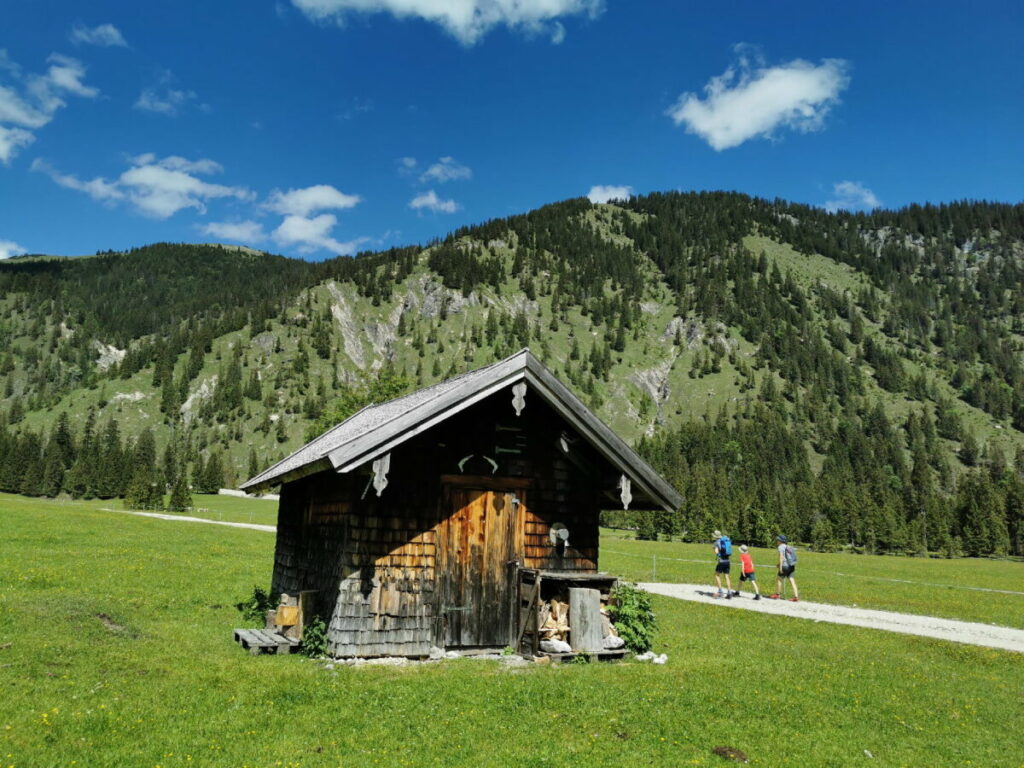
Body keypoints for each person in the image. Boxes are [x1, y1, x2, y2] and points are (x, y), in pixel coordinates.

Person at [769, 535, 799, 601]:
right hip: (791, 566)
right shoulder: (788, 547)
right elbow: (787, 557)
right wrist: (779, 564)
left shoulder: (780, 547)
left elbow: (781, 557)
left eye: (778, 540)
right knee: (792, 580)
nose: (777, 541)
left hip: (785, 566)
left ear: (780, 541)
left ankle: (777, 594)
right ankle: (796, 597)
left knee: (779, 579)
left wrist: (780, 567)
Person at [712, 529, 735, 599]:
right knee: (726, 576)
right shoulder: (725, 540)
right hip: (727, 561)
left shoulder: (716, 542)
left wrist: (718, 554)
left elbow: (716, 551)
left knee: (716, 575)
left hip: (721, 561)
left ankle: (720, 591)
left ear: (715, 536)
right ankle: (729, 592)